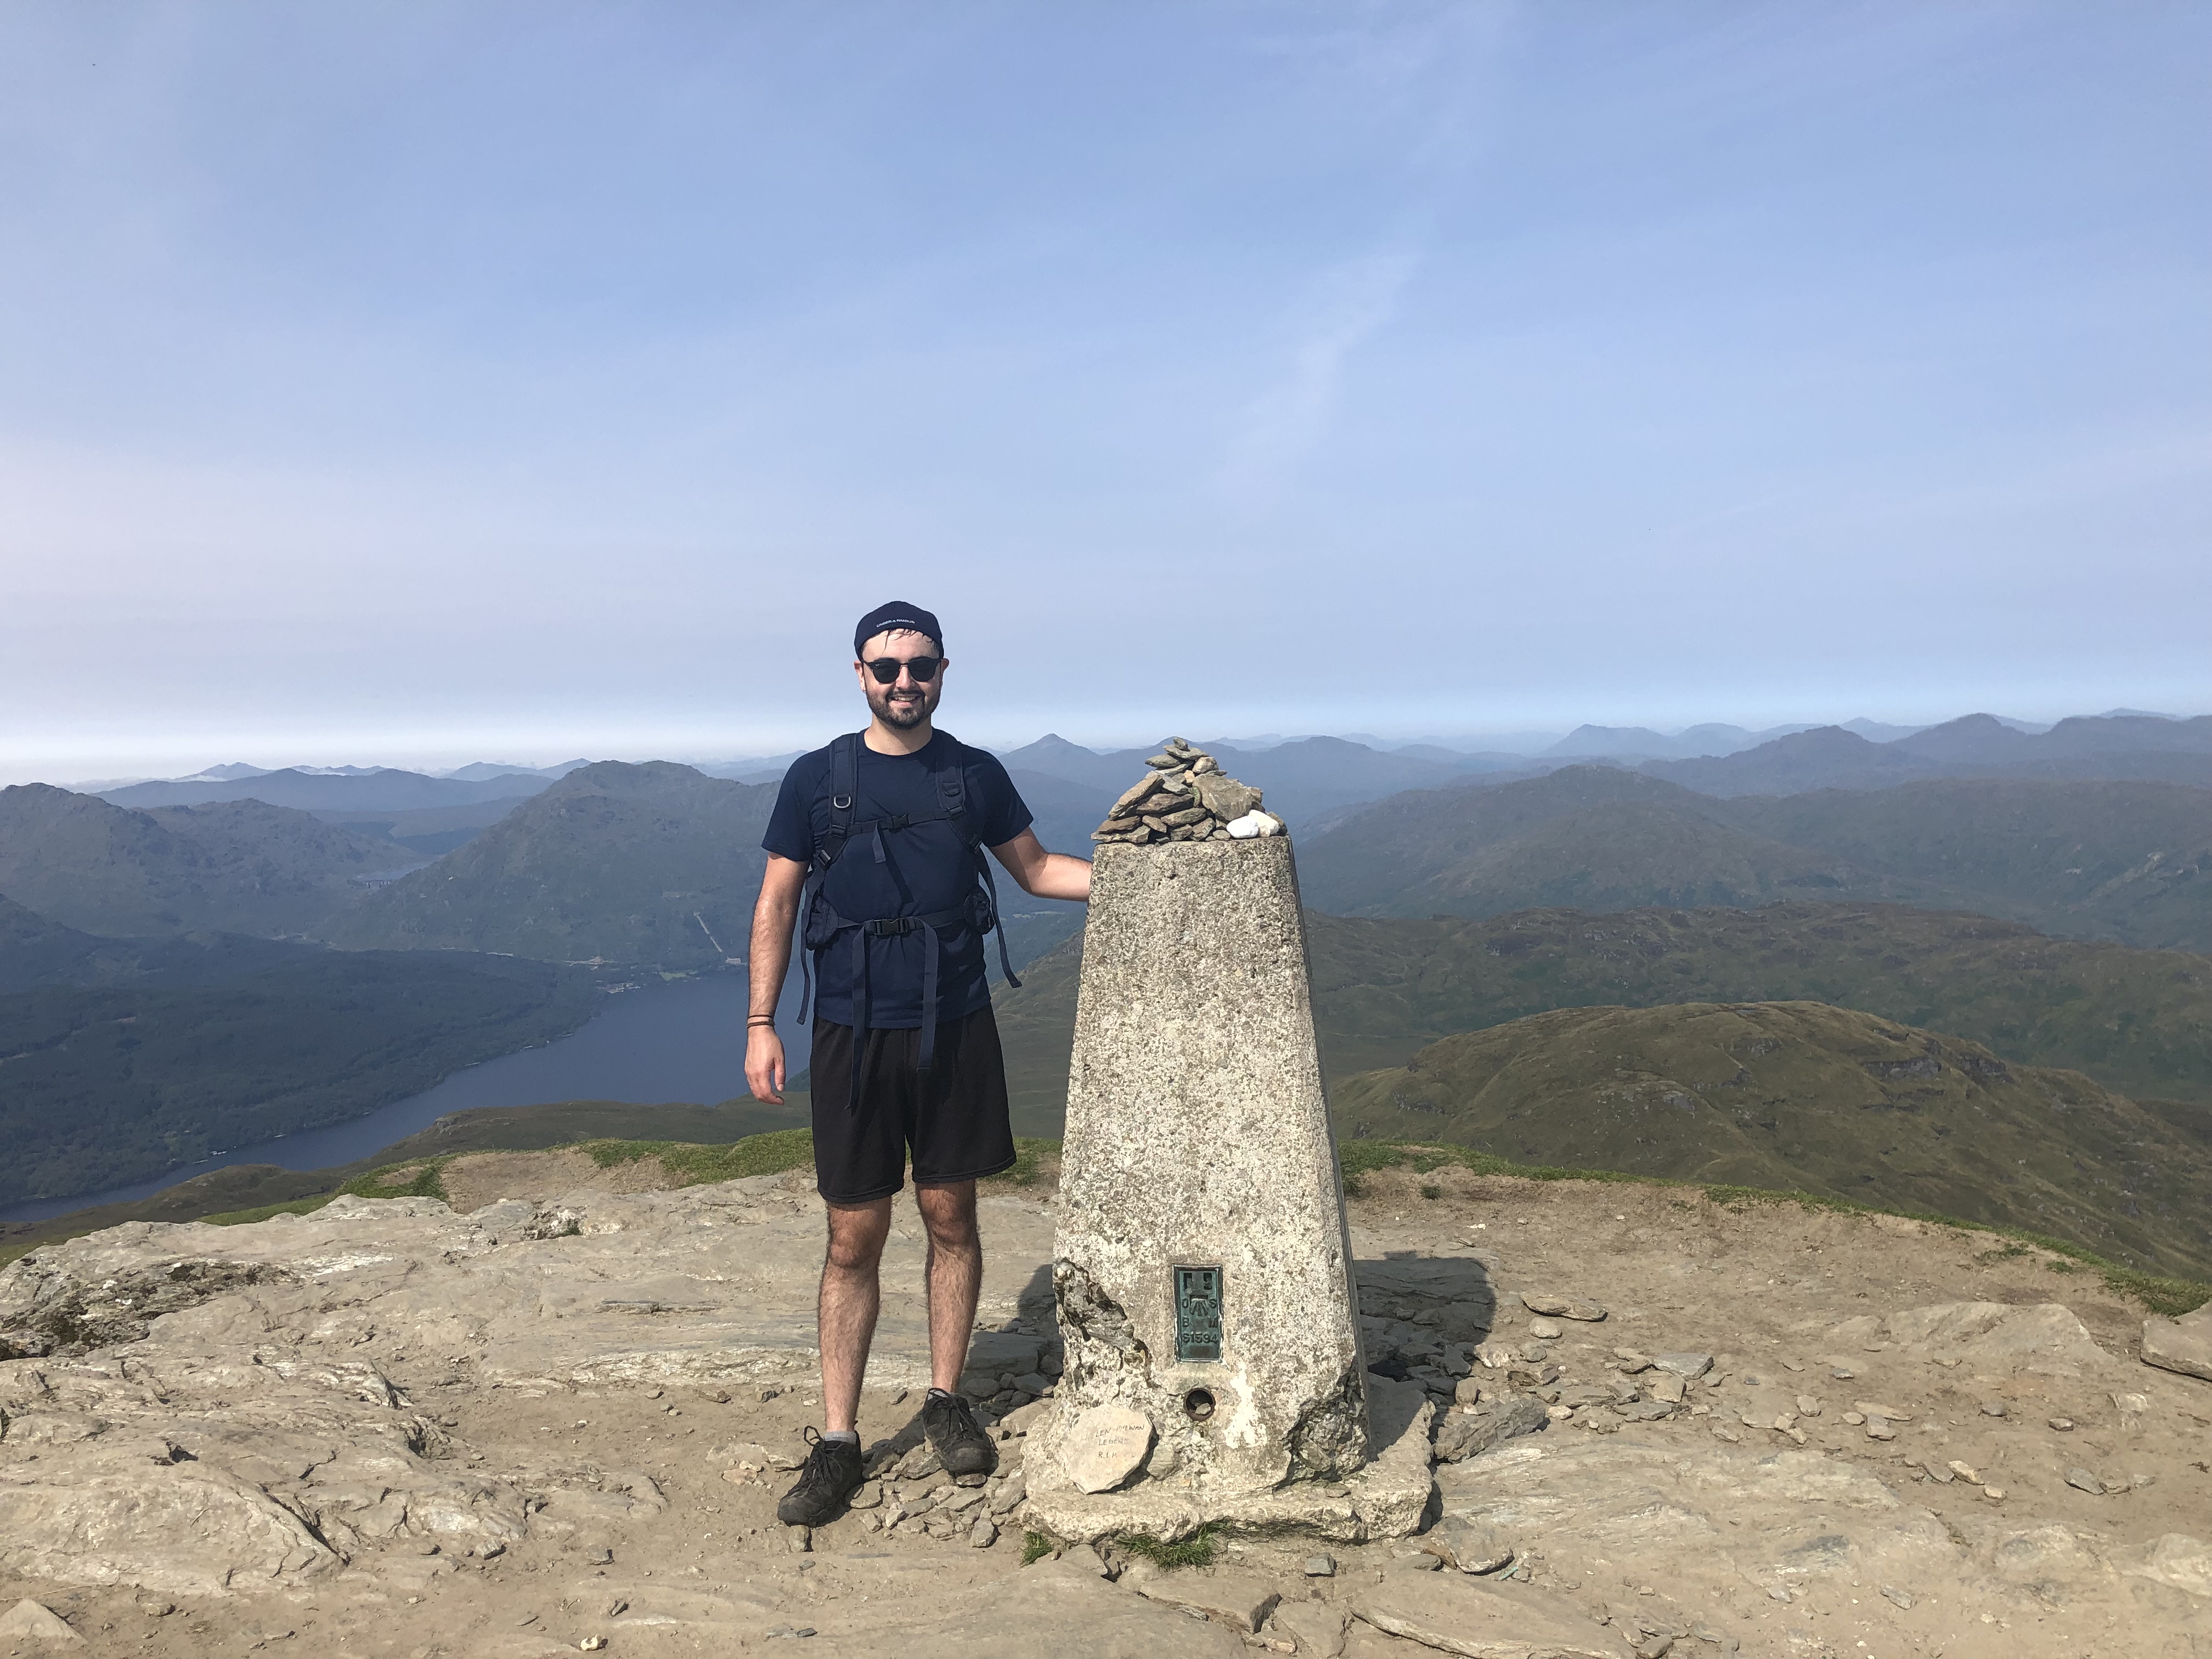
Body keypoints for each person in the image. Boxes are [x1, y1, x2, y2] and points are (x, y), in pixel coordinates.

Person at [744, 601, 1092, 1528]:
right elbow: (776, 903)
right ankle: (838, 1438)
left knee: (950, 1214)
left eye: (921, 666)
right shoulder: (816, 778)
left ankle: (946, 1399)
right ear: (860, 674)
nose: (906, 681)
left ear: (943, 672)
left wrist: (1154, 873)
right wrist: (760, 1022)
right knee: (852, 1235)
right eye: (888, 667)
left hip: (955, 1025)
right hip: (852, 1032)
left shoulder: (973, 775)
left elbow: (1038, 870)